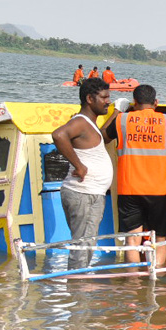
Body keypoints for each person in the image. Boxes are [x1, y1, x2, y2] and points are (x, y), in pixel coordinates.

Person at [104, 85, 166, 263]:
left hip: (130, 188)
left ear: (134, 103)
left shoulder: (122, 120)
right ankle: (156, 277)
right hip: (159, 189)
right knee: (159, 239)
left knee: (132, 240)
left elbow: (102, 137)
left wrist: (116, 111)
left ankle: (132, 284)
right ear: (156, 102)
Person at [51, 77, 113, 270]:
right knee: (82, 246)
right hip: (83, 193)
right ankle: (77, 290)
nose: (107, 101)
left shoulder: (90, 123)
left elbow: (104, 136)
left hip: (91, 193)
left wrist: (117, 112)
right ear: (89, 99)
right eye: (104, 97)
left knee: (86, 244)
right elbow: (58, 135)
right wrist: (78, 166)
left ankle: (79, 288)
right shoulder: (81, 121)